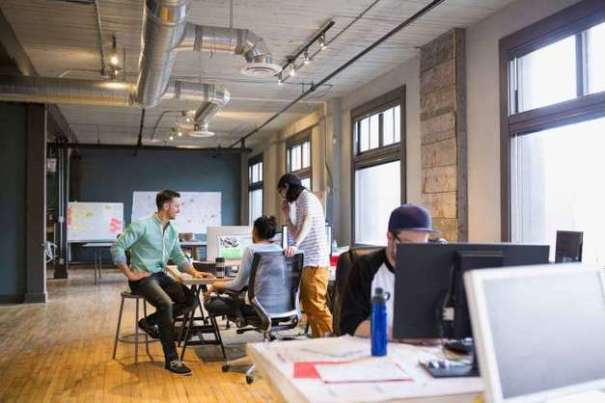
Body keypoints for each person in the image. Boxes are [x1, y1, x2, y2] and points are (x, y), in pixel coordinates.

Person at [111, 189, 214, 375]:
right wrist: (130, 274)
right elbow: (117, 247)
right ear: (166, 206)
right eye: (177, 206)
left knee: (191, 300)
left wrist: (195, 272)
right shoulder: (142, 225)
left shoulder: (172, 230)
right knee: (166, 304)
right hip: (143, 278)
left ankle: (149, 322)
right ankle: (172, 360)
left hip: (160, 275)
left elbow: (179, 257)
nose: (179, 210)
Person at [339, 204, 433, 339]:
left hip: (423, 348)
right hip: (378, 346)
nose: (415, 252)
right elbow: (350, 324)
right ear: (390, 237)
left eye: (421, 246)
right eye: (408, 244)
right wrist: (402, 335)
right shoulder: (366, 267)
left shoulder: (429, 270)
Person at [277, 173, 332, 337]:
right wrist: (287, 215)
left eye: (281, 192)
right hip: (308, 261)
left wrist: (295, 245)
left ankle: (332, 341)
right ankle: (319, 340)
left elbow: (307, 221)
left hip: (316, 261)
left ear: (287, 187)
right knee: (309, 307)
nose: (283, 196)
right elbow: (296, 232)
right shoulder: (299, 202)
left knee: (317, 306)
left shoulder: (307, 197)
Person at [204, 215, 282, 317]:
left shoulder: (251, 250)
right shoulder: (279, 249)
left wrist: (215, 285)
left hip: (257, 308)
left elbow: (237, 285)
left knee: (210, 302)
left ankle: (240, 315)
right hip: (280, 307)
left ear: (255, 231)